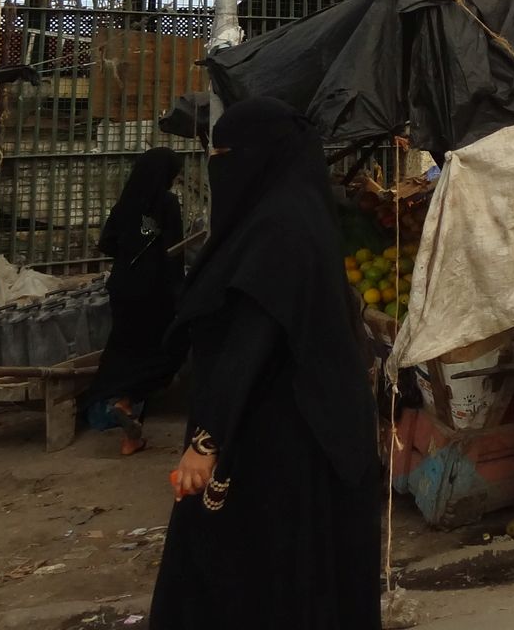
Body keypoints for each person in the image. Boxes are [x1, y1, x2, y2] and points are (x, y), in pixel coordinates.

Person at [150, 98, 382, 630]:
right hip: (304, 425)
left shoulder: (277, 229)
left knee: (248, 570)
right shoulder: (296, 213)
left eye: (226, 154)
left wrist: (205, 443)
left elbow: (250, 341)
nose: (219, 167)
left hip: (280, 431)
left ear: (257, 157)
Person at [86, 147, 186, 456]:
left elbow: (107, 242)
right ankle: (128, 401)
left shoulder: (125, 203)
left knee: (126, 349)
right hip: (156, 291)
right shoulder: (167, 204)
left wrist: (131, 257)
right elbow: (174, 251)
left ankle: (130, 432)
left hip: (123, 289)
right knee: (169, 351)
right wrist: (178, 291)